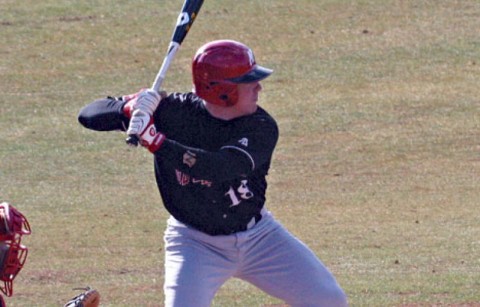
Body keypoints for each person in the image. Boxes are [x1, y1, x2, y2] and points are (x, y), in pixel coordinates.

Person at [78, 39, 348, 307]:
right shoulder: (173, 112)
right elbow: (89, 114)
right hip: (194, 243)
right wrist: (130, 107)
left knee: (329, 301)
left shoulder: (261, 127)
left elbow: (220, 167)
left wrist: (156, 142)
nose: (259, 87)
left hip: (260, 238)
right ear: (224, 92)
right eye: (249, 81)